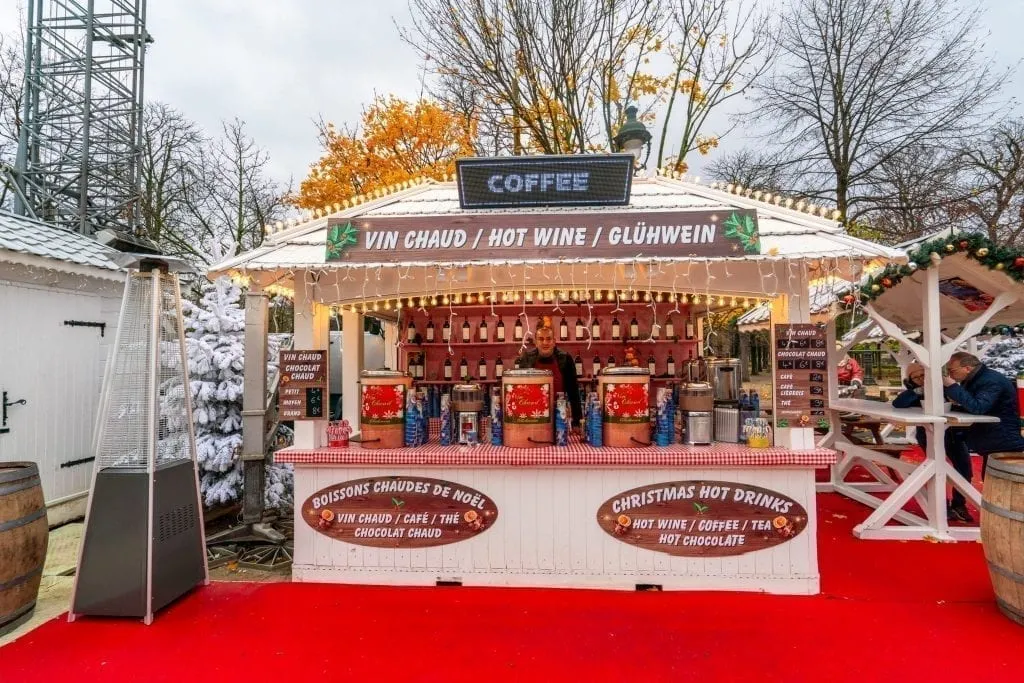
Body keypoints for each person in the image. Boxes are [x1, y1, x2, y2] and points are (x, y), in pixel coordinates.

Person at [892, 362, 975, 521]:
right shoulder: (914, 392)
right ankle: (941, 505)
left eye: (923, 375)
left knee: (964, 468)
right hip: (928, 433)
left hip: (953, 432)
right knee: (935, 468)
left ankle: (959, 504)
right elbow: (898, 403)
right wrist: (917, 391)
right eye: (915, 377)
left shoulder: (946, 386)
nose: (920, 379)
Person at [943, 351, 1024, 481]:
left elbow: (978, 407)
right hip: (994, 438)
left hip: (1003, 440)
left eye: (952, 370)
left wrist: (952, 386)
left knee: (996, 483)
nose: (950, 375)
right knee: (990, 480)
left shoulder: (991, 381)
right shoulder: (976, 379)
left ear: (967, 368)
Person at [516, 321, 582, 432]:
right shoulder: (526, 358)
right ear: (536, 342)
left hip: (559, 416)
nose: (545, 342)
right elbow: (520, 392)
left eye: (548, 339)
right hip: (532, 416)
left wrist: (577, 422)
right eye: (541, 339)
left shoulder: (565, 359)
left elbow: (574, 393)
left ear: (554, 342)